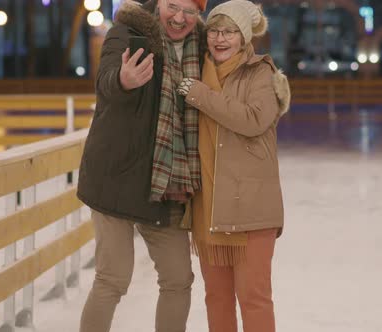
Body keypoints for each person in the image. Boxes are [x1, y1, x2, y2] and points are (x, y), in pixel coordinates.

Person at [76, 0, 207, 330]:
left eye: (189, 11)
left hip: (167, 185)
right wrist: (123, 79)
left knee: (178, 278)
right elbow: (105, 81)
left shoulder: (202, 47)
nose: (179, 17)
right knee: (113, 279)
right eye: (172, 6)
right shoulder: (127, 32)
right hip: (117, 177)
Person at [176, 1, 290, 331]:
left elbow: (253, 120)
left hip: (252, 208)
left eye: (229, 32)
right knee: (217, 297)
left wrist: (198, 94)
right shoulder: (196, 69)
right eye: (214, 30)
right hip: (210, 206)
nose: (220, 38)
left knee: (253, 297)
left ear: (243, 37)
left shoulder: (261, 73)